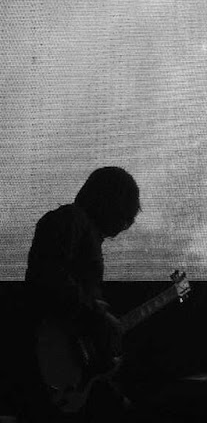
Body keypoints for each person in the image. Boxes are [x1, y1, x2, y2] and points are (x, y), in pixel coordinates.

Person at [18, 166, 141, 422]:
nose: (127, 224)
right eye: (126, 213)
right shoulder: (71, 220)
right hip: (50, 350)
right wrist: (97, 314)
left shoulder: (79, 226)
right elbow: (50, 278)